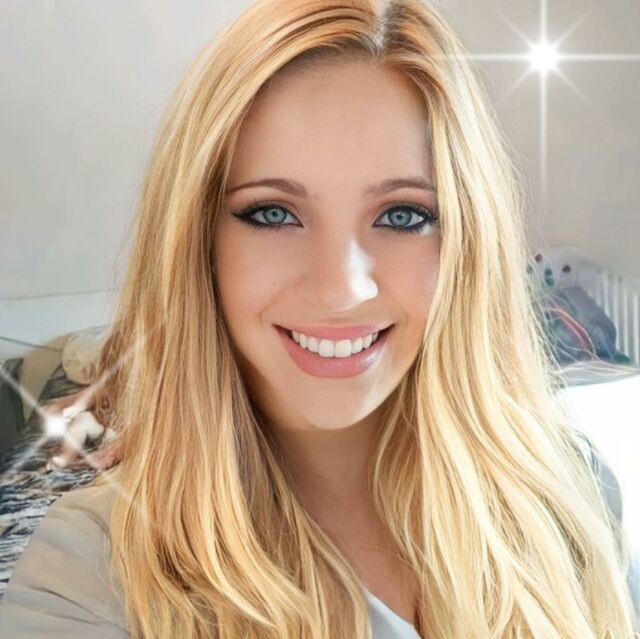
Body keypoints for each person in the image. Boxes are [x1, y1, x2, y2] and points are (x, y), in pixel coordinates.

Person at [0, 0, 637, 637]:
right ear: (198, 244)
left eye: (403, 215)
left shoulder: (568, 488)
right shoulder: (90, 573)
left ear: (468, 242)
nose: (340, 290)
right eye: (273, 213)